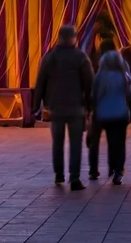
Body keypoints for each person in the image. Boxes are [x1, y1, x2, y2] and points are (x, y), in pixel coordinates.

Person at [32, 24, 94, 191]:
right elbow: (89, 83)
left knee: (57, 142)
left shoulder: (49, 57)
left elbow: (40, 82)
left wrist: (36, 106)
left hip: (56, 107)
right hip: (76, 108)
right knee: (75, 144)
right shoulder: (81, 57)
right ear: (73, 38)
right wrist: (90, 105)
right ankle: (74, 178)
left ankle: (59, 174)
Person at [92, 50, 131, 185]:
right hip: (121, 113)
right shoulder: (124, 75)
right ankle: (119, 170)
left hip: (105, 113)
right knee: (120, 142)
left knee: (111, 140)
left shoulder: (100, 76)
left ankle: (111, 166)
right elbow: (130, 94)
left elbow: (95, 94)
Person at [88, 39, 119, 180]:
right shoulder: (121, 71)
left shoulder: (98, 71)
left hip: (99, 111)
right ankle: (113, 168)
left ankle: (93, 169)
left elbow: (93, 93)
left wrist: (90, 109)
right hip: (115, 110)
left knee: (94, 141)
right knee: (113, 140)